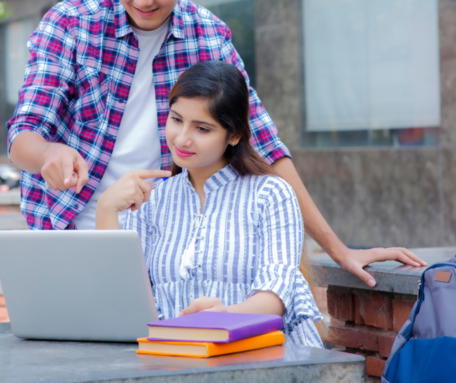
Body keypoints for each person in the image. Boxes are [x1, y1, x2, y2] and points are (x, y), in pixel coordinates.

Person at [7, 0, 426, 287]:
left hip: (155, 244)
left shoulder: (206, 32)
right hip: (65, 230)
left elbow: (263, 144)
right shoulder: (70, 22)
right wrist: (49, 152)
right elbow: (22, 133)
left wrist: (338, 249)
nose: (146, 1)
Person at [96, 62, 322, 347]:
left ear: (235, 135)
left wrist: (224, 316)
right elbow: (119, 299)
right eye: (176, 119)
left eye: (202, 128)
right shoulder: (151, 200)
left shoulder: (271, 193)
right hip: (171, 360)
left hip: (257, 359)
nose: (181, 138)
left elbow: (274, 298)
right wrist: (106, 209)